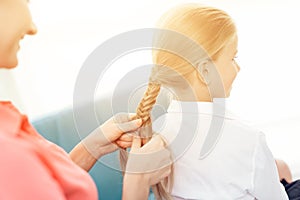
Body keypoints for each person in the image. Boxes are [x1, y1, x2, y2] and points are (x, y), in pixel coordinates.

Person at [0, 0, 171, 199]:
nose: (33, 29)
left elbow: (42, 187)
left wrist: (90, 148)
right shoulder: (6, 152)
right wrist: (138, 183)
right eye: (25, 1)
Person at [130, 3, 290, 199]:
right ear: (205, 71)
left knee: (279, 166)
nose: (238, 67)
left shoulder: (158, 131)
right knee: (284, 173)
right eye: (233, 58)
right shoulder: (249, 139)